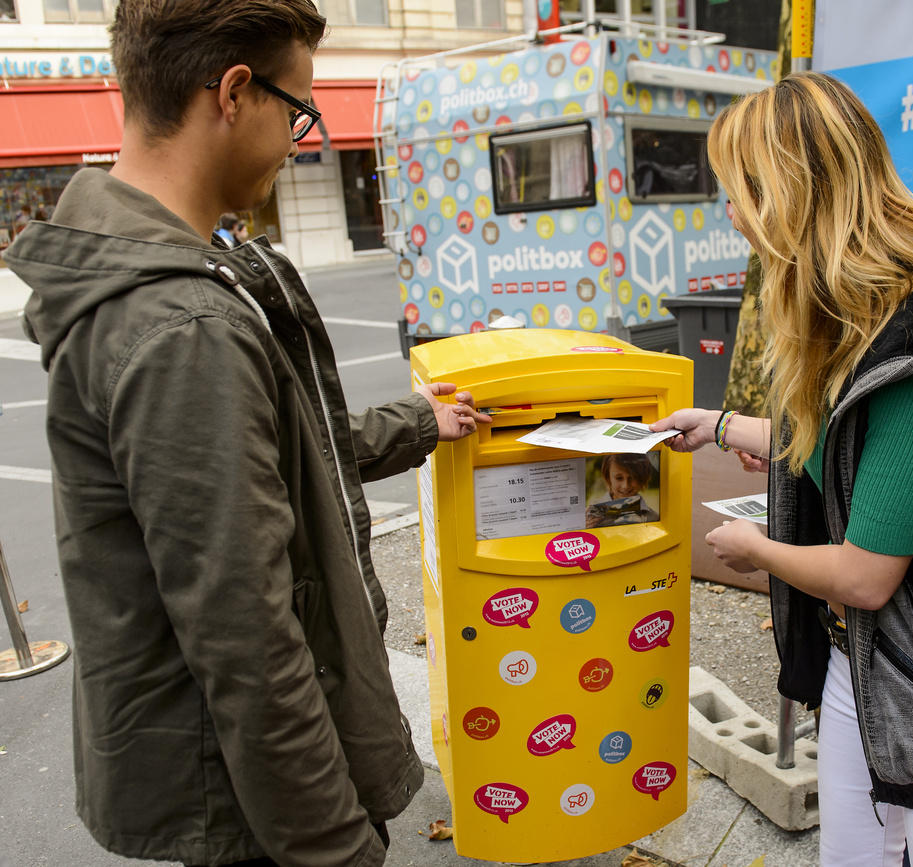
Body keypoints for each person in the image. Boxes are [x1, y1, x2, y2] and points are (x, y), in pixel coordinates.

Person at [3, 2, 491, 866]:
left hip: (229, 784)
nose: (302, 137)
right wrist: (339, 847)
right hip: (255, 808)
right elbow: (249, 641)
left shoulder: (169, 273)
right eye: (297, 109)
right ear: (234, 92)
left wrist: (420, 420)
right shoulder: (182, 321)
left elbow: (283, 455)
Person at [651, 72, 913, 867]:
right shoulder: (881, 314)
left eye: (740, 193)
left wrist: (751, 550)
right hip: (874, 661)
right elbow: (851, 444)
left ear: (790, 199)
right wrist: (725, 426)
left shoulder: (909, 356)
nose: (730, 215)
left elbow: (867, 574)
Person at [585, 452, 660, 527]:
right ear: (608, 478)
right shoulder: (588, 517)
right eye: (619, 478)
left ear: (642, 478)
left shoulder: (653, 518)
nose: (625, 486)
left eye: (632, 477)